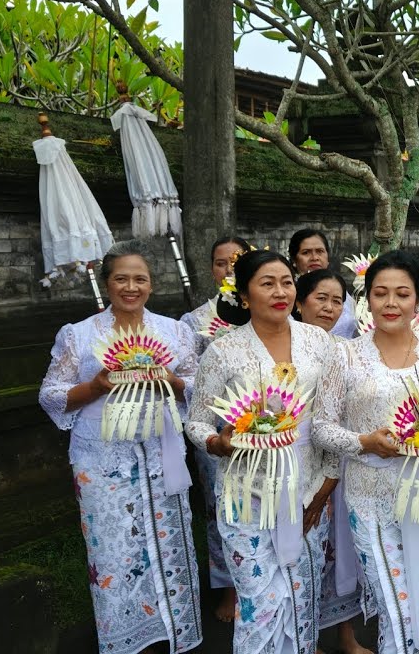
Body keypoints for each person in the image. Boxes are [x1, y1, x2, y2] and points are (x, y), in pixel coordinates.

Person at [38, 240, 203, 654]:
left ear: (151, 284)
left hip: (161, 454)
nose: (131, 287)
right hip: (101, 460)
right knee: (113, 552)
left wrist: (174, 381)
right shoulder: (79, 335)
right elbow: (51, 395)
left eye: (140, 279)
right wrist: (95, 386)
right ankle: (126, 638)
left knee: (168, 544)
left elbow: (201, 389)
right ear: (107, 283)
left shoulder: (175, 331)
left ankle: (172, 632)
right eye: (122, 279)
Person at [312, 251, 419, 654]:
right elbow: (320, 426)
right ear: (366, 299)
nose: (391, 303)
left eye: (402, 294)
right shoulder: (345, 355)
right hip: (372, 498)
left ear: (418, 300)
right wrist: (364, 442)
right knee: (399, 607)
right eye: (380, 293)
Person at [186, 251, 340, 653]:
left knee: (302, 594)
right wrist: (216, 442)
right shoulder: (223, 352)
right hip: (245, 492)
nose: (280, 292)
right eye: (266, 283)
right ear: (243, 294)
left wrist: (324, 489)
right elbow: (197, 421)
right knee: (261, 602)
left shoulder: (319, 342)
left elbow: (335, 417)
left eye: (287, 282)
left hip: (307, 487)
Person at [292, 269, 372, 654]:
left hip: (341, 460)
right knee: (304, 554)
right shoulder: (285, 348)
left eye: (337, 300)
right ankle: (304, 639)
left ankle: (345, 635)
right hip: (299, 462)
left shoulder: (347, 348)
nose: (329, 307)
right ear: (299, 301)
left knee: (343, 550)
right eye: (320, 298)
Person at [177, 235, 249, 622]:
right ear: (212, 270)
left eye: (238, 261)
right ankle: (226, 586)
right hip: (217, 430)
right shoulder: (195, 321)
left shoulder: (267, 311)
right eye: (222, 263)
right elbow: (189, 377)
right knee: (219, 507)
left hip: (269, 427)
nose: (230, 269)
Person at [289, 228, 358, 338]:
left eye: (320, 251)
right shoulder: (288, 293)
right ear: (294, 260)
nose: (315, 258)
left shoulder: (343, 292)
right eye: (306, 252)